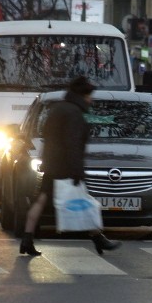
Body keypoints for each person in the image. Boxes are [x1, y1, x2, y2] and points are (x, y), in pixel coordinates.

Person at [20, 76, 121, 257]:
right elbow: (73, 144)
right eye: (89, 95)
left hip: (52, 165)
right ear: (82, 95)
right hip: (66, 168)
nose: (91, 99)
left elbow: (49, 138)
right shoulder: (74, 113)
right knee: (84, 202)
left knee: (40, 200)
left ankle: (27, 239)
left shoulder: (58, 109)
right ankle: (98, 238)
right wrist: (76, 171)